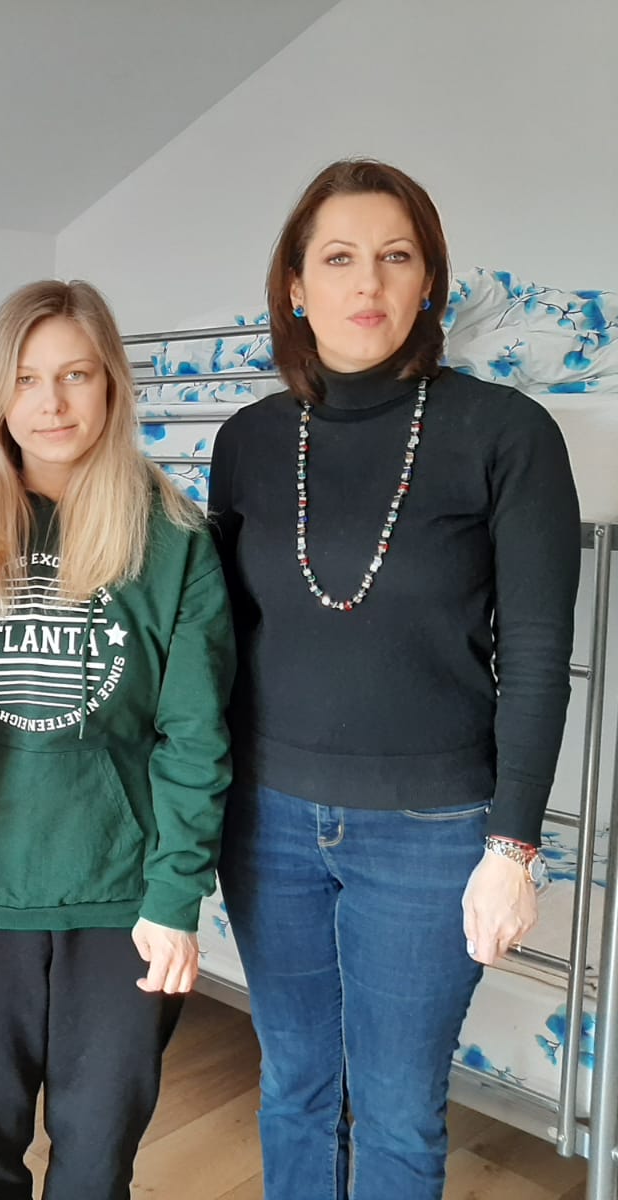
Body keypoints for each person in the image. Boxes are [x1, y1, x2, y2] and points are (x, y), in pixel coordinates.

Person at [208, 158, 583, 1200]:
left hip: (430, 832)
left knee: (398, 1110)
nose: (366, 281)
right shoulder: (246, 442)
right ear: (295, 286)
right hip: (264, 822)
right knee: (292, 1088)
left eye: (395, 255)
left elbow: (537, 654)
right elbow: (217, 644)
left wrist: (512, 848)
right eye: (337, 258)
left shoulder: (507, 434)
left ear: (428, 281)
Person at [0, 279, 235, 1199]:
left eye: (76, 375)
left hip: (120, 902)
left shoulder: (173, 538)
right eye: (26, 378)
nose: (50, 403)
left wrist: (176, 896)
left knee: (96, 1167)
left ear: (111, 385)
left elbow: (195, 736)